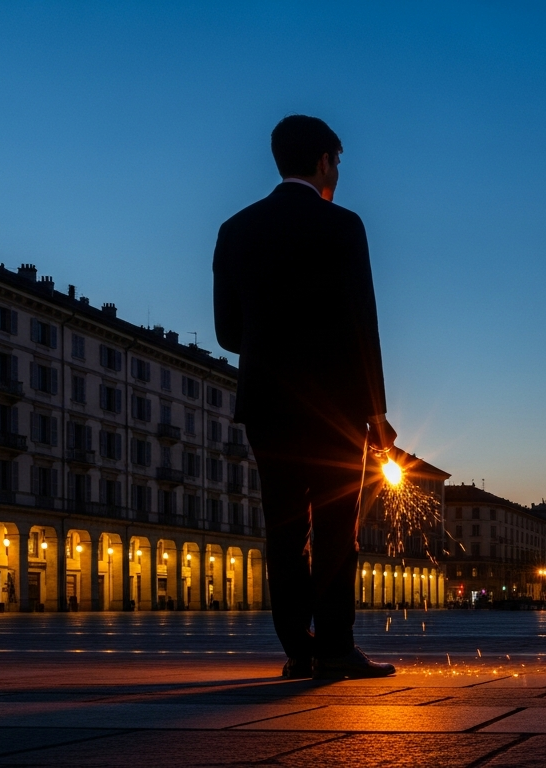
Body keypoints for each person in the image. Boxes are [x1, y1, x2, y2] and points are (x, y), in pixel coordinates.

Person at [214, 115, 397, 679]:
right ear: (323, 161)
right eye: (337, 162)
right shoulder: (343, 226)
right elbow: (363, 323)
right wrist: (377, 413)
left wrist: (272, 346)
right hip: (338, 406)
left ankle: (299, 649)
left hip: (267, 404)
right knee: (338, 530)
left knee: (285, 529)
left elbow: (226, 333)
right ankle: (337, 648)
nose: (337, 173)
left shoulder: (235, 228)